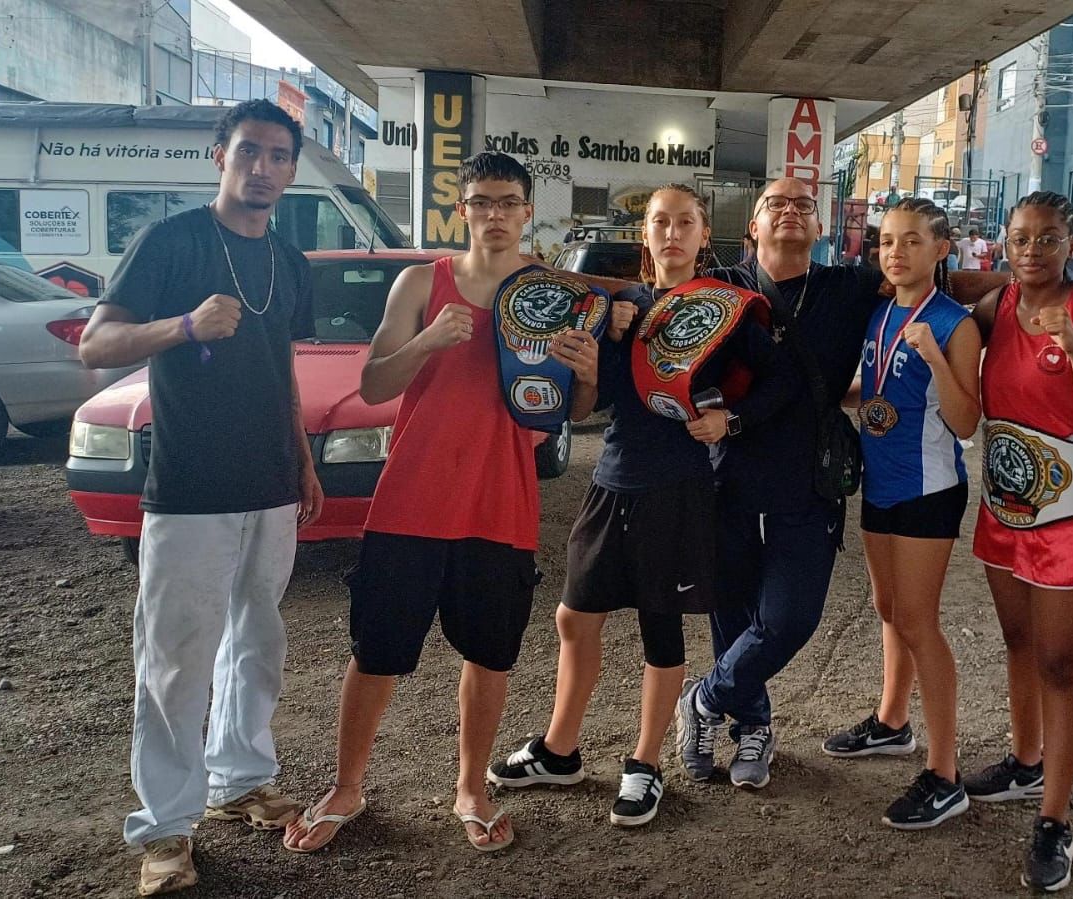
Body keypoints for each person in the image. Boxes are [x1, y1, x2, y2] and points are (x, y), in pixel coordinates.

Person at [282, 151, 601, 855]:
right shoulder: (419, 282)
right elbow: (371, 385)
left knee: (490, 654)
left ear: (527, 212)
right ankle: (346, 785)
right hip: (413, 497)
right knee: (377, 651)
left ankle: (471, 787)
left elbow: (562, 413)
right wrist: (428, 339)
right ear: (462, 210)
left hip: (500, 500)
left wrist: (585, 377)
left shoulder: (552, 294)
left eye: (507, 201)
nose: (494, 214)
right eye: (480, 201)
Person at [671, 177, 1005, 792]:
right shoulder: (719, 291)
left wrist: (1025, 284)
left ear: (822, 230)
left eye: (804, 205)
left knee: (791, 618)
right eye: (776, 203)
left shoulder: (849, 289)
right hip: (730, 479)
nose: (791, 211)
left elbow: (934, 287)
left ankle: (705, 696)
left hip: (811, 482)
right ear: (753, 226)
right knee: (733, 611)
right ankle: (752, 723)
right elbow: (664, 326)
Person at [485, 184, 794, 826]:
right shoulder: (617, 306)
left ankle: (645, 764)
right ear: (644, 233)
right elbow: (594, 403)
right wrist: (597, 356)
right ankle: (560, 750)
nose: (673, 233)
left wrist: (730, 420)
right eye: (660, 222)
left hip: (676, 489)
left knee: (660, 628)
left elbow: (782, 380)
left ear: (705, 235)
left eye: (686, 222)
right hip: (611, 479)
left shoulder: (728, 310)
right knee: (574, 618)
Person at [78, 99, 318, 896]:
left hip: (272, 486)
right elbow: (95, 343)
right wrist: (181, 326)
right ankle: (166, 827)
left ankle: (240, 779)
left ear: (291, 167)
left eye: (279, 155)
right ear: (220, 155)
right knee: (176, 662)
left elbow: (283, 364)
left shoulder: (289, 257)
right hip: (186, 492)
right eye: (249, 151)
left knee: (258, 644)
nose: (263, 167)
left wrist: (304, 460)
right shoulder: (172, 241)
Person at [967, 192, 1073, 891]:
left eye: (1048, 238)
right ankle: (1025, 759)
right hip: (1006, 503)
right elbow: (936, 296)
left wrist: (1069, 347)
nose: (1031, 250)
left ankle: (1054, 817)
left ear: (1072, 244)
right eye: (1019, 238)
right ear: (1004, 242)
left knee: (1061, 661)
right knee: (1018, 641)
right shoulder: (994, 304)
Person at [825, 198, 980, 830]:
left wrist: (937, 356)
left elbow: (967, 419)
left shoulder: (954, 323)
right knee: (889, 610)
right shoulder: (882, 312)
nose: (896, 252)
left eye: (912, 241)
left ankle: (946, 774)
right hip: (880, 482)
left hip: (929, 488)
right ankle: (893, 722)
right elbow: (879, 387)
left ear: (941, 248)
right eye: (887, 241)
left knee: (919, 621)